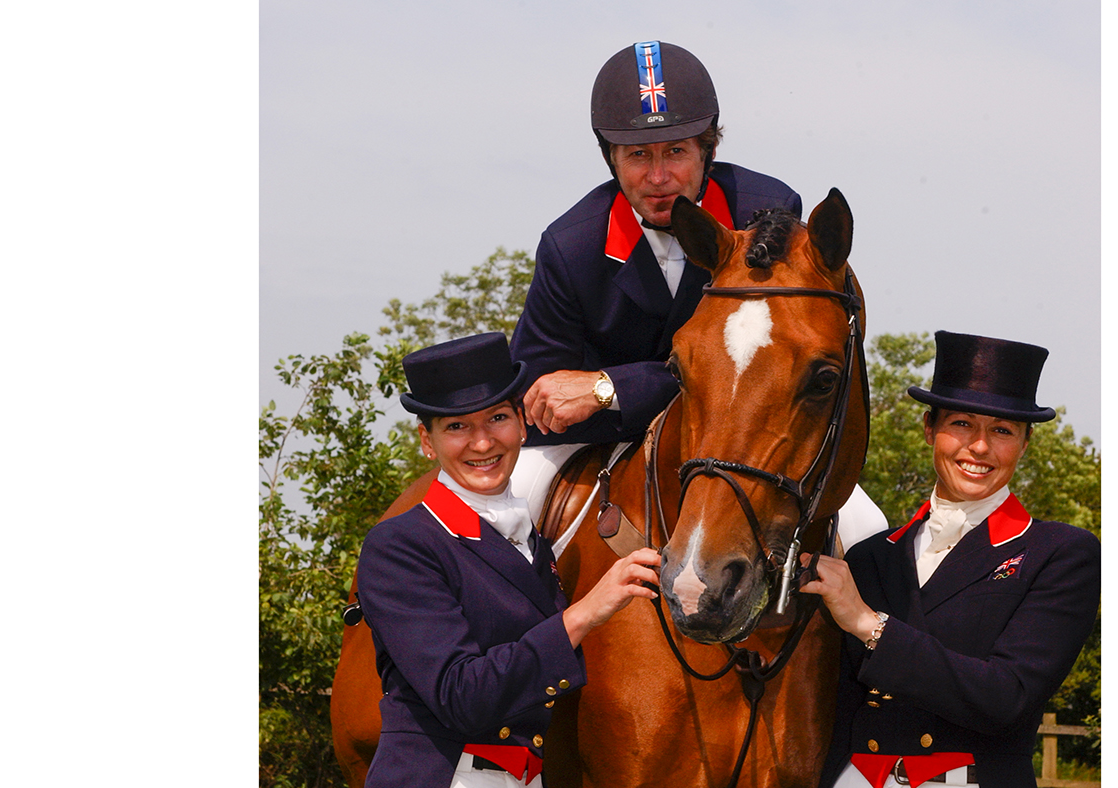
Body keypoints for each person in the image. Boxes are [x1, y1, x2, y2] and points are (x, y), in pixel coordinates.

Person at [508, 40, 888, 548]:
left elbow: (771, 364)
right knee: (506, 519)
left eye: (676, 152)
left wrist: (609, 388)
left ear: (708, 149)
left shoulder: (765, 210)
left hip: (738, 434)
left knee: (866, 530)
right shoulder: (571, 245)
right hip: (601, 442)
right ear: (611, 159)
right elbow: (535, 398)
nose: (659, 177)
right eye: (639, 155)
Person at [355, 333, 660, 788]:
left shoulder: (528, 540)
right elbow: (462, 696)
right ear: (427, 440)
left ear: (521, 423)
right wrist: (583, 614)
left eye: (497, 418)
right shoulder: (400, 545)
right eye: (456, 427)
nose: (482, 443)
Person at [800, 331, 1101, 788]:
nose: (979, 447)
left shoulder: (1059, 553)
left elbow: (1007, 699)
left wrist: (868, 624)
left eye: (1001, 430)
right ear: (928, 428)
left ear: (1025, 444)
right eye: (961, 423)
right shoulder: (869, 556)